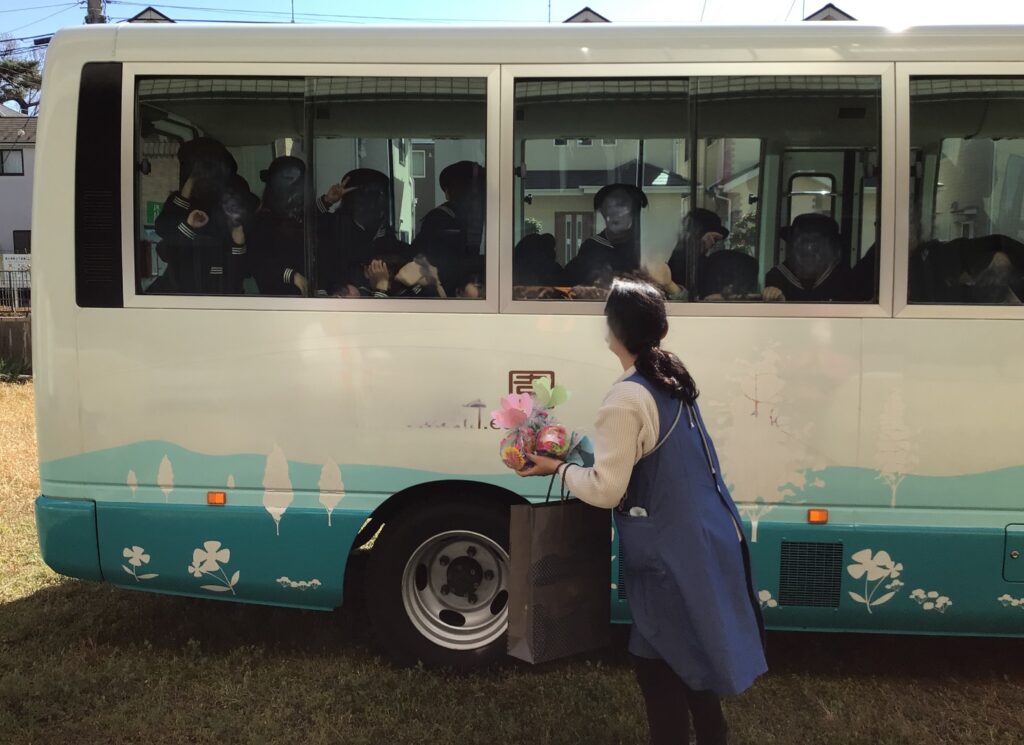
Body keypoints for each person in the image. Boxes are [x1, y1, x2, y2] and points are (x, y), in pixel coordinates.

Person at [519, 279, 767, 745]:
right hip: (702, 538)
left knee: (658, 665)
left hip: (667, 555)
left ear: (613, 329)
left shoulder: (626, 397)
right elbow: (642, 456)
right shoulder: (671, 379)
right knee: (689, 652)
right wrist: (576, 450)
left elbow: (605, 490)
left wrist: (558, 467)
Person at [317, 168, 417, 296]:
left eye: (384, 195)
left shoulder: (390, 240)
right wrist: (327, 201)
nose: (381, 201)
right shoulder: (334, 227)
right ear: (354, 199)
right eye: (373, 194)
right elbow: (303, 226)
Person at [413, 160, 486, 295]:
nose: (476, 196)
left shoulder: (475, 218)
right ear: (449, 192)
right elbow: (446, 266)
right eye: (468, 188)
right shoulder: (440, 219)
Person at [564, 184, 647, 287]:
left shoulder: (643, 246)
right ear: (602, 212)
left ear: (634, 212)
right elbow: (570, 282)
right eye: (608, 207)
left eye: (621, 205)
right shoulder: (592, 246)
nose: (615, 212)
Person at [249, 156, 309, 296]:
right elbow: (258, 261)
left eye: (300, 183)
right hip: (279, 297)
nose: (296, 191)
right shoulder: (262, 220)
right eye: (289, 181)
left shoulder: (303, 218)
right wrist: (292, 276)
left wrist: (326, 202)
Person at [763, 213, 857, 302]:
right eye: (803, 241)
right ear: (791, 247)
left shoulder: (844, 278)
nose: (808, 249)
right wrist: (777, 300)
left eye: (816, 242)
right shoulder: (777, 276)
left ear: (832, 249)